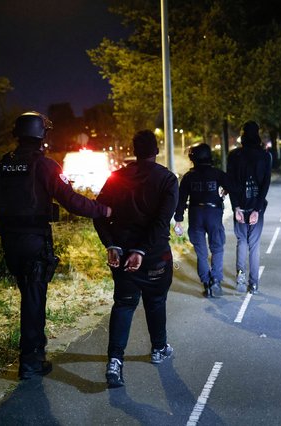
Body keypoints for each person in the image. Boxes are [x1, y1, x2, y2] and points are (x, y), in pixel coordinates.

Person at [0, 111, 112, 380]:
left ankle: (34, 354)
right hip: (34, 241)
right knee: (34, 301)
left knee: (29, 296)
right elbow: (71, 200)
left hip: (10, 241)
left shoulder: (3, 167)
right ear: (41, 135)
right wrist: (102, 210)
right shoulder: (46, 166)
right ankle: (31, 361)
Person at [93, 129, 179, 388]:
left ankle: (114, 363)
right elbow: (162, 221)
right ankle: (158, 348)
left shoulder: (117, 177)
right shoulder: (167, 179)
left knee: (124, 303)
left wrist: (112, 244)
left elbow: (98, 213)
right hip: (154, 256)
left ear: (134, 150)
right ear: (156, 150)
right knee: (155, 301)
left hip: (122, 256)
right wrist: (141, 250)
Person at [173, 143, 230, 298]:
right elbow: (231, 185)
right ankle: (216, 280)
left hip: (196, 214)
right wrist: (224, 192)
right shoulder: (217, 174)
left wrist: (178, 220)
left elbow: (181, 199)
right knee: (217, 248)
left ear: (193, 158)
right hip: (213, 213)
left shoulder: (188, 177)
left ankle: (206, 282)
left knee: (201, 253)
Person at [226, 121, 272, 294]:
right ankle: (253, 284)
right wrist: (257, 210)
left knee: (241, 241)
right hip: (256, 207)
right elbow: (265, 184)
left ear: (243, 135)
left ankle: (240, 275)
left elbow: (231, 183)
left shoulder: (234, 155)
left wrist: (236, 207)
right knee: (254, 244)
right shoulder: (265, 156)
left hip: (240, 205)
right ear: (257, 134)